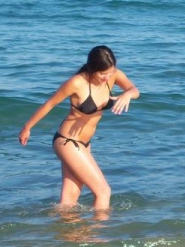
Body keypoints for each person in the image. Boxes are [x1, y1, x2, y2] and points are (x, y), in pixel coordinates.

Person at [18, 45, 140, 211]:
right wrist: (27, 127)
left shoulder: (113, 75)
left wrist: (127, 95)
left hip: (84, 144)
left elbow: (134, 90)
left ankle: (64, 234)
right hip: (67, 141)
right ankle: (98, 235)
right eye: (102, 74)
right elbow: (49, 104)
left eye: (110, 73)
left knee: (69, 202)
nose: (107, 77)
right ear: (92, 68)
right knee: (103, 191)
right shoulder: (76, 83)